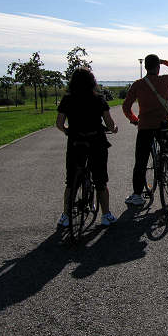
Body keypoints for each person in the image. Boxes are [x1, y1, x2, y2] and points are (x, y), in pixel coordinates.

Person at [55, 67, 119, 227]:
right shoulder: (98, 99)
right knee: (101, 181)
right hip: (96, 141)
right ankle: (106, 215)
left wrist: (67, 131)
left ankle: (66, 216)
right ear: (92, 82)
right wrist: (114, 128)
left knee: (71, 181)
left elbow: (59, 123)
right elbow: (109, 123)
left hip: (75, 142)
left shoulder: (67, 99)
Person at [122, 54, 168, 205]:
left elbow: (126, 107)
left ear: (145, 67)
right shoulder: (165, 80)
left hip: (145, 127)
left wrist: (134, 120)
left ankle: (137, 196)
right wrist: (165, 62)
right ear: (158, 67)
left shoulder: (138, 84)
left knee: (141, 161)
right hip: (164, 125)